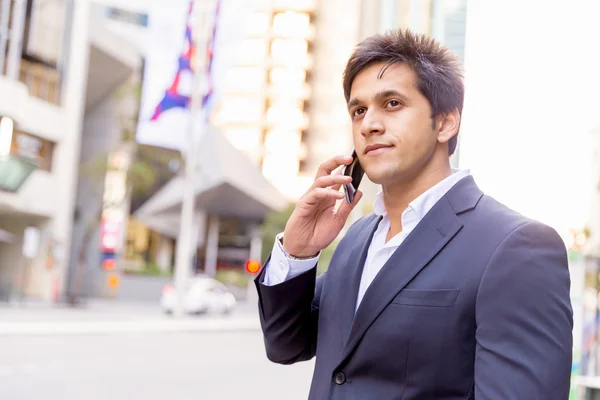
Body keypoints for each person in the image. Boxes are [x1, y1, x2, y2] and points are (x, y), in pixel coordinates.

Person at [254, 29, 573, 400]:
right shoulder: (357, 238)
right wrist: (298, 252)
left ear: (446, 122)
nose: (369, 124)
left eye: (392, 104)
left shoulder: (517, 247)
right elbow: (286, 346)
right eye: (359, 110)